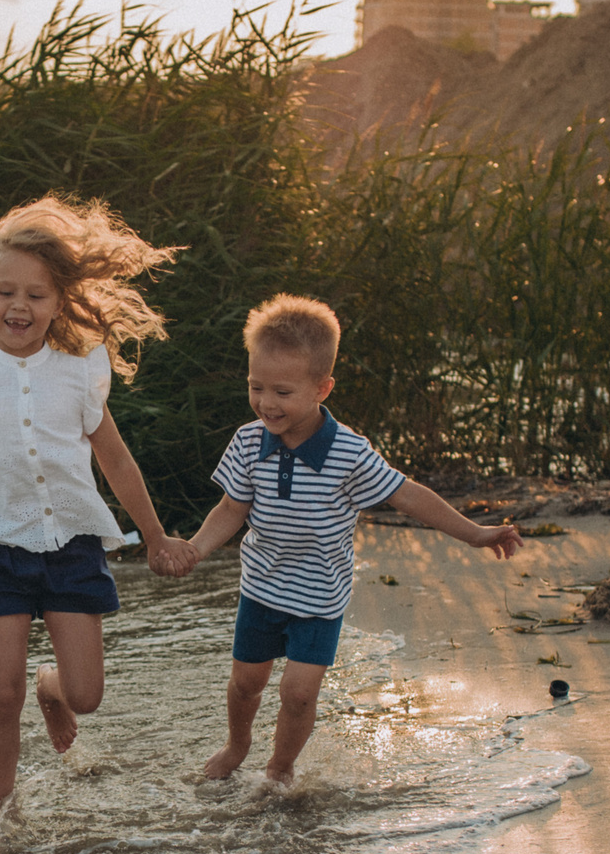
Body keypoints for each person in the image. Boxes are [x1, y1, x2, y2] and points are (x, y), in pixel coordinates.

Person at [0, 197, 199, 816]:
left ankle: (50, 688)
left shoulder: (79, 376)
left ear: (59, 303)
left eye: (36, 295)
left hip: (72, 551)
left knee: (87, 696)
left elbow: (117, 461)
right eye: (6, 292)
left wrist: (155, 536)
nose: (19, 306)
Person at [183, 295, 521, 785]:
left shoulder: (348, 453)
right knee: (245, 683)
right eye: (256, 387)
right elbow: (232, 509)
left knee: (299, 694)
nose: (266, 403)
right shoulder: (248, 441)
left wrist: (475, 533)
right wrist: (195, 548)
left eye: (282, 391)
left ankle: (280, 767)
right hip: (261, 588)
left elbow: (408, 496)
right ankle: (238, 745)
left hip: (320, 596)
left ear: (322, 388)